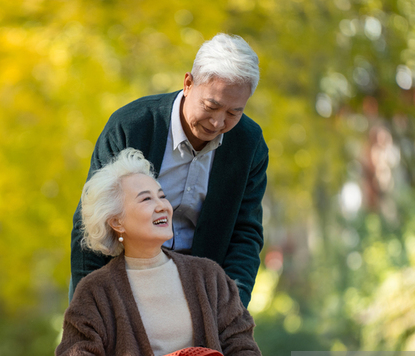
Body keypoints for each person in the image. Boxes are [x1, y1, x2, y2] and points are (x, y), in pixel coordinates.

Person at [56, 149, 297, 356]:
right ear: (116, 221)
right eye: (146, 200)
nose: (162, 206)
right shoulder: (95, 292)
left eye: (162, 196)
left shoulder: (208, 276)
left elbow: (239, 348)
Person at [70, 33, 268, 307]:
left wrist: (232, 306)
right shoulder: (131, 126)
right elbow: (91, 221)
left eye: (234, 113)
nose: (218, 122)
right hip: (125, 282)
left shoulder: (250, 144)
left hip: (203, 291)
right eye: (212, 106)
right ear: (188, 84)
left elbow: (245, 233)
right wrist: (88, 309)